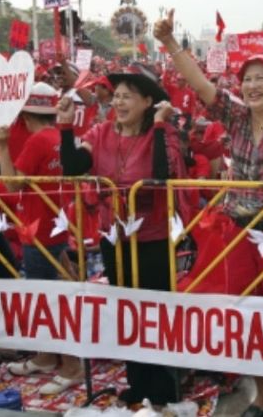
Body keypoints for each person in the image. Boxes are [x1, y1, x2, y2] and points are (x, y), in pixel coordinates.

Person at [154, 8, 263, 417]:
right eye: (247, 79)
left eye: (261, 78)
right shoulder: (234, 119)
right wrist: (168, 43)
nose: (252, 86)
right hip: (240, 231)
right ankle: (262, 392)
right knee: (249, 316)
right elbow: (201, 86)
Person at [58, 62, 186, 408]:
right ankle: (137, 381)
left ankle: (164, 383)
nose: (119, 102)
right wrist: (66, 127)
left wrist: (159, 128)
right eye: (116, 96)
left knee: (156, 312)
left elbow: (160, 177)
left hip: (153, 239)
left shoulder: (165, 134)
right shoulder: (100, 133)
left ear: (148, 101)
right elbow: (72, 166)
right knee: (126, 310)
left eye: (128, 96)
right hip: (113, 238)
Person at [0, 83, 84, 395]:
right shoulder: (61, 137)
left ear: (24, 114)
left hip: (40, 230)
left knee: (49, 302)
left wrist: (2, 147)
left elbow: (11, 185)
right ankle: (46, 356)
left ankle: (72, 365)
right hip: (56, 226)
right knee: (50, 296)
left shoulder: (37, 140)